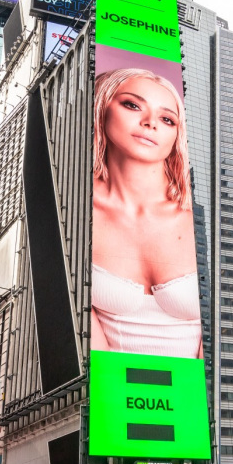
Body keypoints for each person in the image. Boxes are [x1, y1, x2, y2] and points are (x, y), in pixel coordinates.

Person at [90, 68, 201, 360]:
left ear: (177, 134)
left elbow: (221, 329)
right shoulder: (74, 208)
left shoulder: (197, 218)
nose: (150, 123)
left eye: (167, 119)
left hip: (198, 394)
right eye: (132, 105)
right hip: (109, 390)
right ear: (102, 106)